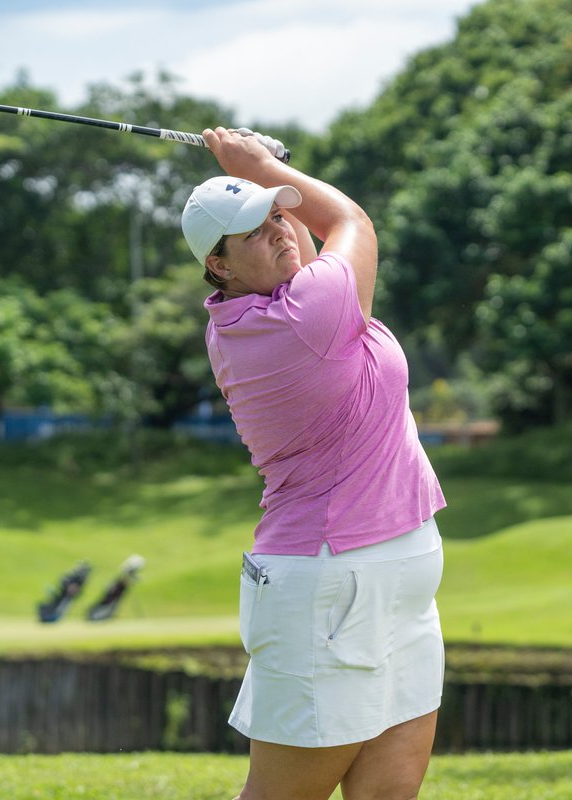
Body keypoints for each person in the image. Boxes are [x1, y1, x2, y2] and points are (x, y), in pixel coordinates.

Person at [180, 127, 447, 800]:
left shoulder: (294, 306)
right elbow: (350, 221)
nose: (279, 231)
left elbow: (321, 234)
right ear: (219, 266)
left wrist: (264, 178)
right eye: (254, 230)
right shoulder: (304, 316)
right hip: (330, 584)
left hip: (392, 579)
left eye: (277, 214)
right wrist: (261, 164)